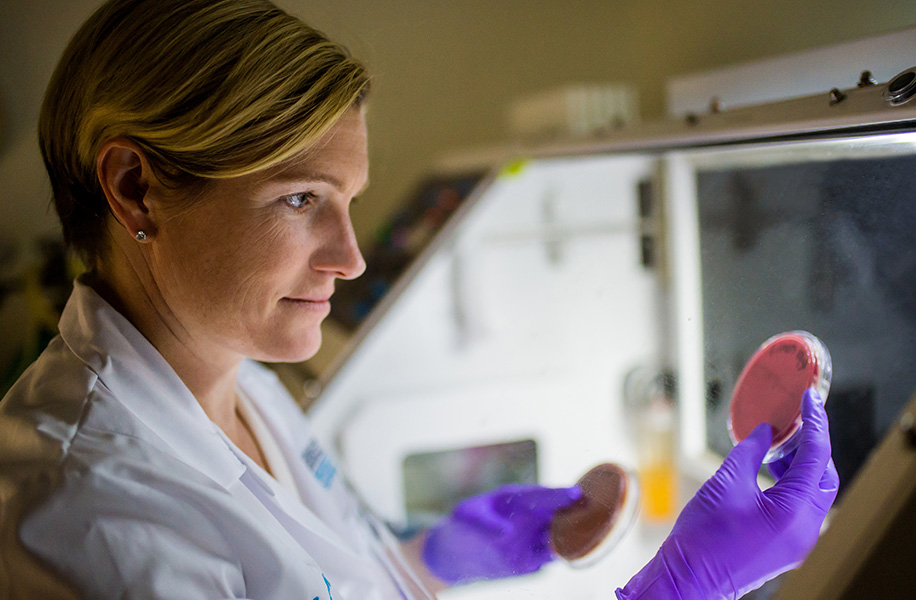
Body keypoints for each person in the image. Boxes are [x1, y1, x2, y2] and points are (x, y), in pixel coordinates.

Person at [0, 0, 839, 598]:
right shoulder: (89, 519)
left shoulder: (230, 369)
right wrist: (678, 591)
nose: (352, 258)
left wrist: (445, 555)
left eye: (349, 203)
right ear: (136, 187)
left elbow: (333, 578)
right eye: (300, 200)